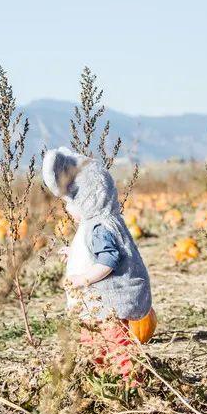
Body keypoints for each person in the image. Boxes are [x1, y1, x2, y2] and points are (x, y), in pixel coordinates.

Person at [42, 147, 153, 378]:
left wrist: (84, 278)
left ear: (87, 198)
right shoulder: (98, 223)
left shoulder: (99, 227)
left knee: (116, 343)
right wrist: (72, 252)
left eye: (72, 202)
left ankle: (131, 381)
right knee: (92, 343)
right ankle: (103, 377)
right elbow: (92, 251)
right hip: (95, 307)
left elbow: (108, 259)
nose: (70, 210)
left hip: (106, 304)